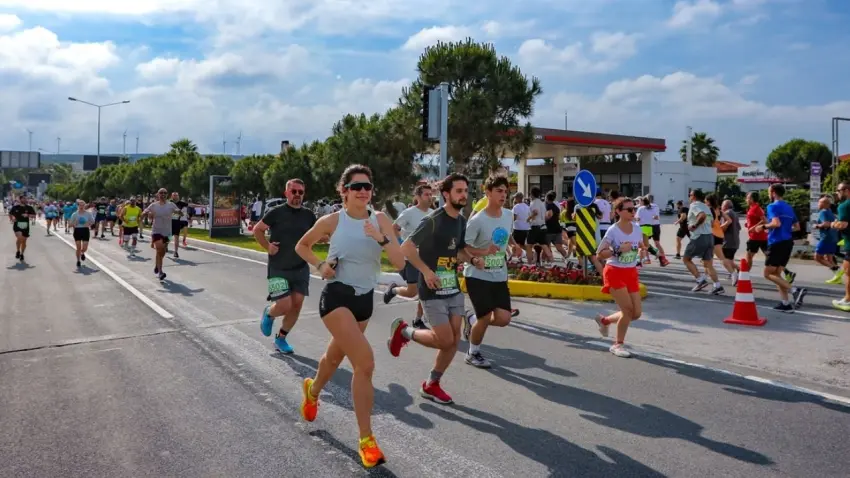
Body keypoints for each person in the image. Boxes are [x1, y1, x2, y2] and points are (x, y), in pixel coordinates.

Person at [294, 164, 404, 469]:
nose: (363, 191)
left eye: (368, 186)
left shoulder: (380, 220)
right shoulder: (333, 220)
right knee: (364, 363)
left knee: (333, 358)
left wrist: (381, 238)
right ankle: (367, 440)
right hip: (337, 297)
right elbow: (302, 245)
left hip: (364, 301)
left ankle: (312, 390)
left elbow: (399, 262)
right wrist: (320, 265)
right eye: (357, 187)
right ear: (344, 191)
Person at [387, 173, 475, 405]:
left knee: (454, 340)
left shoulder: (461, 221)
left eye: (465, 191)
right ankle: (404, 332)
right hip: (432, 288)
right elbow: (407, 247)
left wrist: (473, 259)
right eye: (459, 191)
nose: (463, 195)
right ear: (446, 194)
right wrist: (426, 272)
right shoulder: (433, 220)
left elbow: (459, 250)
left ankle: (431, 384)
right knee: (444, 340)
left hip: (452, 287)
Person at [461, 174, 517, 368]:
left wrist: (514, 245)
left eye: (505, 192)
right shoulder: (478, 220)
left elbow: (507, 234)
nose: (503, 195)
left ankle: (472, 319)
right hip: (477, 275)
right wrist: (481, 254)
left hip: (499, 274)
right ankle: (472, 352)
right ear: (488, 193)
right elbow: (463, 248)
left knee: (503, 318)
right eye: (499, 191)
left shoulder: (508, 215)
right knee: (485, 317)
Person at [255, 179, 317, 354]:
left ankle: (281, 338)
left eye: (300, 192)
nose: (297, 195)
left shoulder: (309, 215)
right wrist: (268, 246)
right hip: (277, 268)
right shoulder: (276, 212)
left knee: (297, 305)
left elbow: (317, 234)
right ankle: (269, 313)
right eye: (294, 191)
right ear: (286, 193)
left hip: (300, 268)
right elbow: (258, 230)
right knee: (284, 305)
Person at [593, 197, 645, 358]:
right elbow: (599, 254)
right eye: (629, 209)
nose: (633, 212)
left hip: (631, 272)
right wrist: (617, 250)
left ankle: (605, 321)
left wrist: (643, 251)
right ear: (618, 211)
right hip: (614, 271)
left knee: (636, 313)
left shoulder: (637, 228)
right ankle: (617, 345)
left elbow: (640, 245)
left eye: (634, 209)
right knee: (627, 310)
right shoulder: (613, 230)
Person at [384, 184, 433, 329]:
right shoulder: (409, 213)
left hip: (428, 257)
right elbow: (394, 228)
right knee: (412, 292)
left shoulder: (434, 213)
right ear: (417, 197)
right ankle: (393, 289)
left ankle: (418, 319)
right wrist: (401, 243)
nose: (430, 197)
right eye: (426, 194)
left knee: (427, 288)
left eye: (431, 194)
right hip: (412, 257)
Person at [754, 184, 807, 311]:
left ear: (773, 193)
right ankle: (785, 303)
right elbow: (797, 227)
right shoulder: (789, 207)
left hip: (777, 242)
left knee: (767, 274)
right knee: (777, 274)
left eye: (769, 192)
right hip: (788, 242)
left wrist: (763, 227)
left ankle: (795, 290)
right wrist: (784, 230)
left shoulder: (772, 206)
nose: (768, 194)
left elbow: (776, 223)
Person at [682, 189, 722, 294]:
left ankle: (700, 280)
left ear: (694, 196)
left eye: (690, 195)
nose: (689, 197)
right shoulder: (706, 207)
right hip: (710, 237)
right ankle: (717, 285)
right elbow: (712, 222)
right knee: (708, 263)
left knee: (686, 259)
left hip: (699, 236)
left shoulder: (695, 205)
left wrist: (694, 226)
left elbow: (702, 216)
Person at [143, 188, 180, 281]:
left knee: (162, 252)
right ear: (158, 194)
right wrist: (145, 214)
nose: (163, 194)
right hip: (156, 231)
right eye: (161, 193)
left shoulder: (171, 205)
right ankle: (160, 272)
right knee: (159, 249)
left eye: (164, 193)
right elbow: (145, 212)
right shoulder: (153, 205)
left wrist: (177, 212)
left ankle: (157, 264)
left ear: (167, 195)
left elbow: (179, 213)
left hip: (168, 232)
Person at [812, 196, 843, 284]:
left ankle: (837, 270)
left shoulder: (823, 212)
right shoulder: (830, 212)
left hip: (826, 238)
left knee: (817, 257)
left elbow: (826, 224)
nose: (818, 204)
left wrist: (816, 226)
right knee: (829, 259)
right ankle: (837, 278)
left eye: (820, 202)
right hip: (833, 238)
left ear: (825, 204)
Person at [831, 183, 850, 310]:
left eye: (838, 190)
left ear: (846, 190)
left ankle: (848, 300)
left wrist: (833, 224)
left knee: (848, 272)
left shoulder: (844, 206)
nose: (837, 193)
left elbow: (843, 224)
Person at [9, 196, 36, 262]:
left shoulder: (29, 207)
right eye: (23, 199)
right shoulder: (15, 207)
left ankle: (21, 254)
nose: (25, 200)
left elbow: (34, 215)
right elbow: (10, 214)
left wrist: (28, 215)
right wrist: (12, 219)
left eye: (25, 198)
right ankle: (18, 250)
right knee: (20, 238)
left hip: (25, 226)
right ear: (20, 199)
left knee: (24, 241)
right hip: (17, 225)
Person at [70, 199, 95, 268]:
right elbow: (70, 224)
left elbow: (93, 221)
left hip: (85, 230)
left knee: (85, 248)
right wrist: (74, 223)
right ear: (78, 206)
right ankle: (78, 260)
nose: (81, 207)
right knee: (78, 248)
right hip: (77, 231)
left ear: (85, 206)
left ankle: (82, 252)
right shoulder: (74, 214)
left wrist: (88, 223)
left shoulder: (88, 213)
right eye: (80, 205)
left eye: (83, 205)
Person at [170, 192, 190, 259]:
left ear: (178, 196)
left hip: (177, 222)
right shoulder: (169, 203)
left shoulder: (181, 203)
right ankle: (166, 245)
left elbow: (190, 205)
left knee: (176, 237)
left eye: (176, 195)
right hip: (169, 223)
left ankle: (176, 252)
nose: (175, 196)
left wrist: (203, 206)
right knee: (168, 237)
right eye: (174, 195)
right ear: (172, 196)